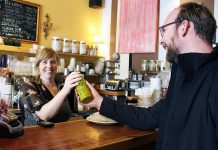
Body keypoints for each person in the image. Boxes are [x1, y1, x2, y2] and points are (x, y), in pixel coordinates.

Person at [75, 2, 218, 150]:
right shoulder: (180, 74)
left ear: (184, 27)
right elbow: (148, 117)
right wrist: (99, 102)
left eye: (163, 30)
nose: (161, 40)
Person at [19, 47, 83, 126]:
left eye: (53, 62)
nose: (49, 66)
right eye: (44, 62)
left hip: (61, 136)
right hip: (35, 137)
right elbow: (43, 115)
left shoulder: (61, 86)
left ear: (57, 65)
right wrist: (65, 90)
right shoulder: (27, 87)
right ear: (38, 65)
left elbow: (69, 114)